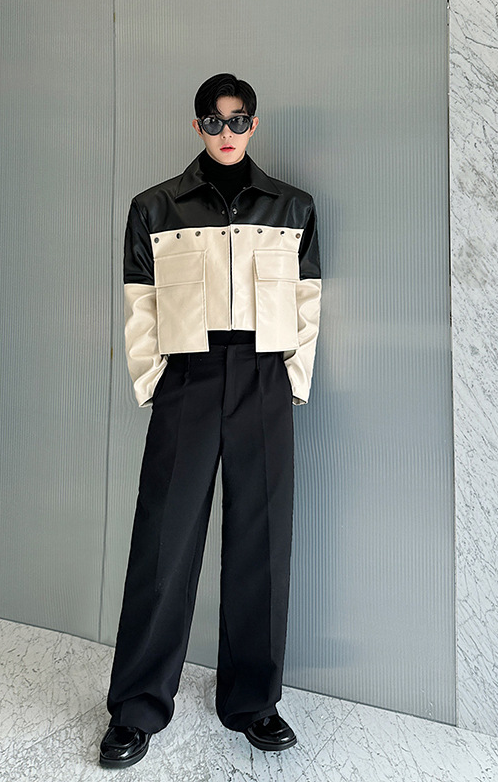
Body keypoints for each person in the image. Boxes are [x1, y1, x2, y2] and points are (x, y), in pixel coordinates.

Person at [99, 73, 322, 769]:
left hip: (263, 375)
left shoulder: (292, 206)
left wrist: (291, 379)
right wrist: (154, 382)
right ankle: (136, 708)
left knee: (262, 541)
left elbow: (308, 298)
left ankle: (254, 703)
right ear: (197, 126)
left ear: (255, 123)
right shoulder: (155, 206)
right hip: (188, 378)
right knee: (163, 543)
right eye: (215, 121)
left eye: (239, 119)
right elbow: (140, 301)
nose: (228, 133)